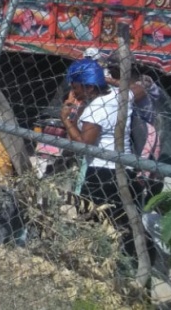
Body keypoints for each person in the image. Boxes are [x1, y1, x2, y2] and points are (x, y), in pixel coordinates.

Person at [61, 58, 153, 255]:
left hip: (101, 175)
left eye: (75, 85)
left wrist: (67, 121)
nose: (73, 90)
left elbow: (86, 145)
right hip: (125, 170)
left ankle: (96, 263)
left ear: (87, 86)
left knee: (93, 225)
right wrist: (105, 81)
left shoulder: (96, 109)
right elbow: (139, 88)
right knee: (122, 227)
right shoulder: (118, 97)